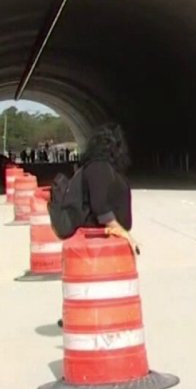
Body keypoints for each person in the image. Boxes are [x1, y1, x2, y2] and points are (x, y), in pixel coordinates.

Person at [56, 123, 138, 329]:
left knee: (97, 281)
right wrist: (119, 229)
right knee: (97, 277)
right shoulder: (99, 167)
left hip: (99, 239)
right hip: (97, 238)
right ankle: (84, 314)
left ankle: (82, 312)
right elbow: (100, 206)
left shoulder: (100, 167)